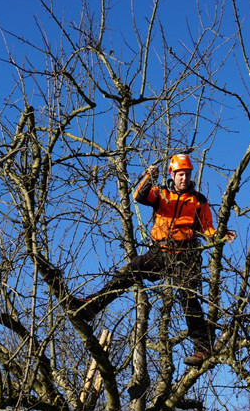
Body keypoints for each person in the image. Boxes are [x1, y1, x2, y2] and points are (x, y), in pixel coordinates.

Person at [69, 153, 237, 367]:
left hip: (186, 254)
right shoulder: (162, 193)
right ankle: (91, 306)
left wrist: (222, 234)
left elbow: (208, 228)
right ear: (172, 174)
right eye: (180, 174)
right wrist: (148, 177)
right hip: (160, 251)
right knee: (129, 271)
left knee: (189, 297)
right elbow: (139, 196)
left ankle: (203, 347)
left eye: (187, 174)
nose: (184, 178)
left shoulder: (198, 201)